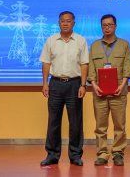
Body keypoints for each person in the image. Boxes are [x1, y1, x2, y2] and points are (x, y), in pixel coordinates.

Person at [39, 11, 89, 167]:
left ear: (74, 23)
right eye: (62, 21)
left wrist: (83, 85)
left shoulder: (80, 40)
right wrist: (45, 83)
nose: (65, 23)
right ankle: (52, 155)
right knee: (53, 121)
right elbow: (46, 63)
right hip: (55, 84)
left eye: (68, 21)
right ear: (58, 23)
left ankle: (75, 155)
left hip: (74, 84)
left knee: (75, 122)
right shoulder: (51, 40)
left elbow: (84, 64)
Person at [87, 14, 130, 166]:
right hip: (99, 91)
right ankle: (102, 153)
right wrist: (94, 85)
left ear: (115, 26)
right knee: (100, 126)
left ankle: (118, 152)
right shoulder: (94, 46)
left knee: (119, 125)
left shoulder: (124, 45)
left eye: (110, 25)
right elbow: (91, 68)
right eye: (104, 25)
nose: (107, 28)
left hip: (119, 91)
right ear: (101, 27)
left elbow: (127, 66)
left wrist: (123, 84)